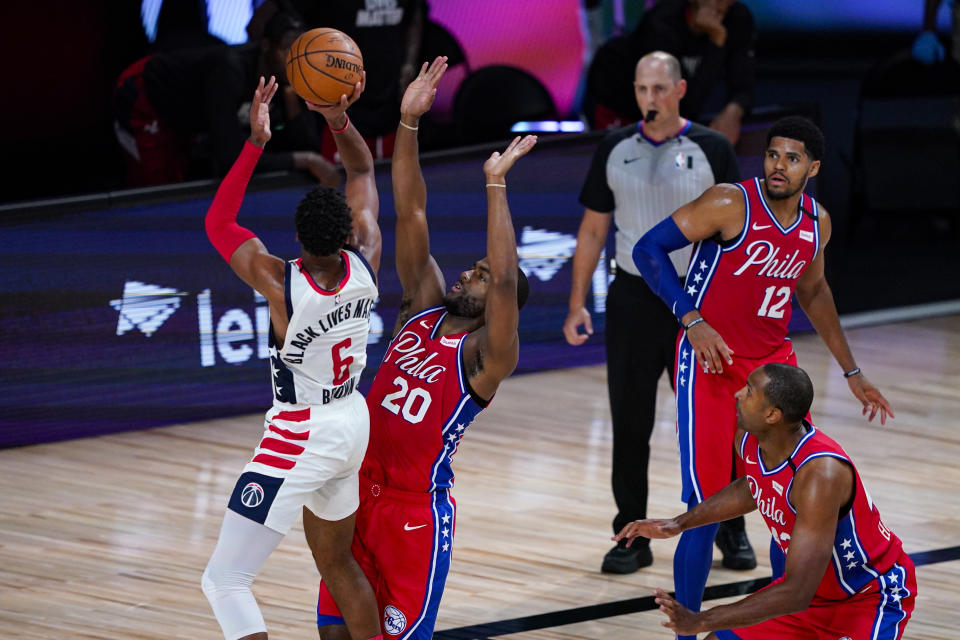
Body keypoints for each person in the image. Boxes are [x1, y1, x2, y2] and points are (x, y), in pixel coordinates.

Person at [631, 115, 894, 640]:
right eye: (773, 154)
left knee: (788, 501)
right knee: (701, 507)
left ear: (813, 168)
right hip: (711, 366)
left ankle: (784, 626)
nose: (779, 165)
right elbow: (647, 250)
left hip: (774, 371)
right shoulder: (730, 202)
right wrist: (693, 319)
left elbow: (814, 293)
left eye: (792, 158)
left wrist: (853, 370)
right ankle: (687, 633)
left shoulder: (816, 223)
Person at [313, 57, 534, 640]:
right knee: (333, 633)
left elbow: (509, 280)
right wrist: (408, 124)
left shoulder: (489, 358)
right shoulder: (424, 304)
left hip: (414, 515)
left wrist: (495, 185)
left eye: (480, 275)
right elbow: (411, 211)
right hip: (357, 488)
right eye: (473, 269)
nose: (468, 275)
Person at [200, 75, 382, 640]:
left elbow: (219, 224)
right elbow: (364, 171)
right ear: (349, 231)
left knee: (224, 581)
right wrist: (338, 117)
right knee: (337, 563)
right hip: (352, 420)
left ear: (298, 241)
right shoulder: (367, 258)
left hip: (301, 430)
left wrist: (256, 141)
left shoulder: (282, 283)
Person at [563, 51, 751, 575]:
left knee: (720, 422)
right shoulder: (614, 146)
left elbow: (739, 229)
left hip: (699, 302)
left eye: (659, 89)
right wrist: (578, 301)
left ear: (680, 91)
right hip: (633, 300)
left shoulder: (712, 147)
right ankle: (631, 534)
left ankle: (730, 530)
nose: (650, 99)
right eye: (642, 89)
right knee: (630, 420)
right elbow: (594, 230)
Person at [615, 363, 915, 640]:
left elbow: (796, 591)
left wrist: (703, 619)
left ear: (772, 415)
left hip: (865, 596)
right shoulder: (748, 437)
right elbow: (753, 485)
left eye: (748, 390)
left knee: (713, 628)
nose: (737, 394)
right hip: (810, 598)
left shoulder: (819, 476)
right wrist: (678, 523)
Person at [113, 10, 338, 187]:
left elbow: (306, 146)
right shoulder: (230, 70)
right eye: (287, 49)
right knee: (159, 186)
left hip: (188, 111)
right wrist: (305, 160)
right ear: (267, 46)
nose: (294, 60)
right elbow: (230, 158)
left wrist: (290, 96)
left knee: (181, 176)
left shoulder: (285, 76)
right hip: (144, 93)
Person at [248, 0, 426, 161]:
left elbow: (415, 16)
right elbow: (258, 25)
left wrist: (409, 63)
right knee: (343, 190)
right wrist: (297, 71)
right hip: (336, 112)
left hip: (390, 107)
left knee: (388, 189)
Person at [587, 0, 756, 144]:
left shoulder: (738, 18)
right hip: (618, 99)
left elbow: (744, 83)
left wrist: (734, 111)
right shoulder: (660, 24)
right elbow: (683, 107)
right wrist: (716, 42)